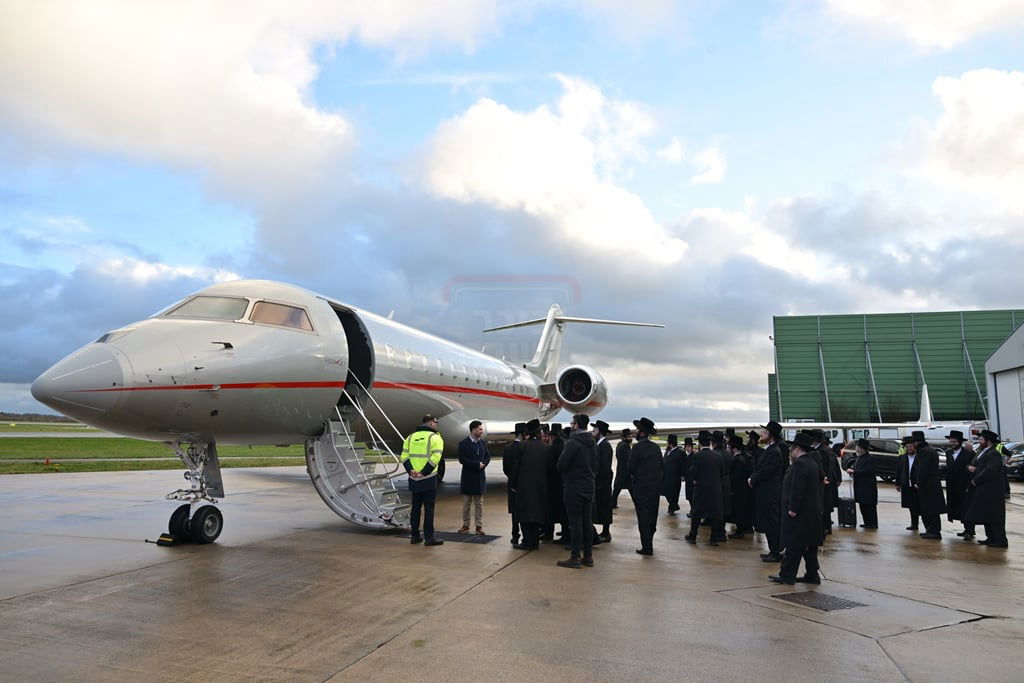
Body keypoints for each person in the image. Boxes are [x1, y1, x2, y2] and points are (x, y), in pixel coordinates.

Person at [770, 432, 824, 585]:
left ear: (797, 449)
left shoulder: (800, 464)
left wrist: (793, 508)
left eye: (791, 449)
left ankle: (787, 575)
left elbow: (798, 488)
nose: (790, 452)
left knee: (794, 545)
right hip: (811, 513)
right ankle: (812, 574)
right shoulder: (812, 462)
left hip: (800, 513)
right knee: (809, 547)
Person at [556, 414, 598, 568]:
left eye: (572, 423)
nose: (571, 425)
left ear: (576, 425)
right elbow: (595, 466)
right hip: (588, 486)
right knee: (587, 522)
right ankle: (588, 556)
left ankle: (575, 556)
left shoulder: (573, 443)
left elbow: (561, 465)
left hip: (574, 487)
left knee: (575, 523)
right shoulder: (592, 443)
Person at [401, 414, 445, 546]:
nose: (436, 424)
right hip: (428, 478)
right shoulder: (436, 438)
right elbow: (436, 458)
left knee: (415, 508)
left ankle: (414, 536)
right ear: (431, 423)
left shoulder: (409, 437)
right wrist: (424, 473)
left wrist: (411, 471)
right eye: (435, 422)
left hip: (413, 479)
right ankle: (429, 538)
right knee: (429, 509)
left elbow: (404, 457)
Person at [965, 430, 1009, 548]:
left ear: (988, 441)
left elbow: (990, 470)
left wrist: (976, 479)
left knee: (994, 515)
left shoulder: (993, 453)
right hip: (984, 489)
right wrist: (970, 467)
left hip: (992, 490)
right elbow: (976, 464)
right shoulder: (983, 452)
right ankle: (991, 537)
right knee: (987, 514)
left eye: (981, 439)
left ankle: (999, 540)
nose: (979, 441)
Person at [749, 421, 784, 562]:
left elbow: (765, 471)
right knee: (768, 522)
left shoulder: (774, 452)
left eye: (764, 432)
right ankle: (773, 550)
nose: (761, 433)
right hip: (764, 492)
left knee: (771, 523)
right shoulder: (769, 450)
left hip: (770, 493)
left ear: (771, 435)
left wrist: (752, 480)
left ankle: (776, 552)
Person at [628, 417, 663, 555]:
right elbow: (661, 466)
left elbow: (630, 468)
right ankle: (649, 542)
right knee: (652, 517)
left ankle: (647, 546)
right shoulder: (655, 448)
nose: (635, 431)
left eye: (637, 429)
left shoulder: (637, 448)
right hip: (654, 488)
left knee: (643, 518)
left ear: (642, 432)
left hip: (641, 488)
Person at [513, 420, 550, 550]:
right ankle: (535, 541)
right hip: (541, 487)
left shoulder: (522, 446)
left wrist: (513, 484)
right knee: (537, 515)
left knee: (525, 515)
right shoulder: (546, 447)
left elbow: (515, 469)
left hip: (524, 487)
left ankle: (527, 541)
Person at [686, 430, 726, 546]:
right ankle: (713, 538)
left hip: (701, 488)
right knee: (714, 514)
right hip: (715, 489)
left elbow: (693, 473)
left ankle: (692, 536)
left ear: (700, 443)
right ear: (709, 442)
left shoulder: (698, 456)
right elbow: (722, 473)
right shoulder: (717, 456)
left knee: (697, 513)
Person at [910, 431, 946, 539]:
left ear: (916, 443)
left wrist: (918, 482)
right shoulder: (930, 450)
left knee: (928, 508)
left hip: (927, 485)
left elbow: (922, 469)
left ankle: (933, 531)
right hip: (933, 483)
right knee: (932, 508)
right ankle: (932, 530)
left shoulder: (923, 452)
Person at [457, 420, 490, 534]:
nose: (482, 431)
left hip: (479, 478)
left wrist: (484, 464)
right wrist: (477, 465)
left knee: (479, 504)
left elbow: (487, 457)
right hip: (468, 477)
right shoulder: (463, 444)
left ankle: (478, 526)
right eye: (480, 429)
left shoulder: (482, 443)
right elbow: (462, 459)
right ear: (473, 430)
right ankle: (466, 525)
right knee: (466, 504)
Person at [944, 430, 976, 539]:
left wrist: (969, 485)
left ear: (960, 442)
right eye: (951, 441)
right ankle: (966, 529)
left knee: (966, 507)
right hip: (953, 486)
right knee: (957, 507)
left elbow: (973, 468)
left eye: (954, 442)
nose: (952, 443)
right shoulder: (948, 452)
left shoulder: (969, 453)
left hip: (964, 485)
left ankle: (970, 531)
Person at [502, 423, 526, 545]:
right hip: (525, 484)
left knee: (515, 513)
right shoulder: (525, 448)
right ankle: (526, 535)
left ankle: (515, 535)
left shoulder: (508, 448)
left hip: (512, 483)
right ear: (523, 435)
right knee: (525, 511)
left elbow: (505, 468)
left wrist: (512, 478)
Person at [846, 438, 878, 529]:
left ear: (862, 448)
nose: (856, 449)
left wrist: (854, 472)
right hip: (860, 486)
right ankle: (866, 522)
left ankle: (873, 523)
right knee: (862, 505)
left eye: (857, 447)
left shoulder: (870, 458)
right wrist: (852, 472)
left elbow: (868, 471)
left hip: (868, 487)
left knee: (869, 506)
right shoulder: (859, 458)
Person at [591, 420, 614, 542]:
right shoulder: (600, 444)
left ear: (600, 431)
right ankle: (604, 532)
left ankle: (606, 533)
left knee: (604, 507)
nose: (592, 432)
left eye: (594, 430)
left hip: (603, 483)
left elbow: (604, 466)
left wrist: (599, 482)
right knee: (601, 507)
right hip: (601, 482)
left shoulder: (605, 446)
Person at [544, 423, 566, 543]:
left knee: (551, 510)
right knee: (562, 511)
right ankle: (563, 533)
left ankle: (549, 533)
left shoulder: (553, 448)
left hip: (553, 484)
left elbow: (550, 466)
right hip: (562, 483)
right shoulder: (564, 445)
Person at [727, 434, 753, 538]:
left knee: (738, 511)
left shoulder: (737, 460)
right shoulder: (742, 458)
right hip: (742, 489)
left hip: (739, 490)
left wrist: (732, 489)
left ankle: (740, 531)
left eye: (730, 447)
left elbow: (735, 478)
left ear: (734, 448)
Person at [895, 435, 920, 532]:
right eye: (907, 447)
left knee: (918, 505)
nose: (909, 448)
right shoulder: (902, 458)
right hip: (906, 485)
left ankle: (921, 524)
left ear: (914, 447)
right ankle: (914, 523)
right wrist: (898, 483)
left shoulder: (918, 457)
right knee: (911, 506)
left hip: (916, 485)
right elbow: (898, 471)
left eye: (911, 446)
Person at [712, 431, 731, 541]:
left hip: (717, 482)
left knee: (717, 509)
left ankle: (718, 533)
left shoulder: (715, 454)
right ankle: (722, 532)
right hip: (727, 483)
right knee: (724, 510)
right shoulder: (727, 453)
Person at [661, 434, 684, 515]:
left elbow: (683, 465)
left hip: (675, 477)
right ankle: (674, 505)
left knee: (674, 494)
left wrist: (682, 475)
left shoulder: (680, 452)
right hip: (666, 476)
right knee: (666, 492)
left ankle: (671, 508)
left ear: (670, 443)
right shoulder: (667, 451)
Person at [612, 428, 633, 509]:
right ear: (624, 437)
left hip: (620, 470)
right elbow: (628, 459)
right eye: (629, 436)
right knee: (631, 488)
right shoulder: (625, 446)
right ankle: (638, 504)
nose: (631, 438)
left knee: (617, 489)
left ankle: (613, 503)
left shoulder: (620, 444)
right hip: (625, 471)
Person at [681, 437, 696, 516]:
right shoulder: (685, 456)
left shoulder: (694, 456)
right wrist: (683, 475)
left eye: (689, 446)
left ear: (692, 447)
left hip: (692, 479)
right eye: (686, 446)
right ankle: (692, 510)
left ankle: (693, 511)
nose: (688, 448)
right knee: (689, 496)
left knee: (692, 496)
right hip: (688, 479)